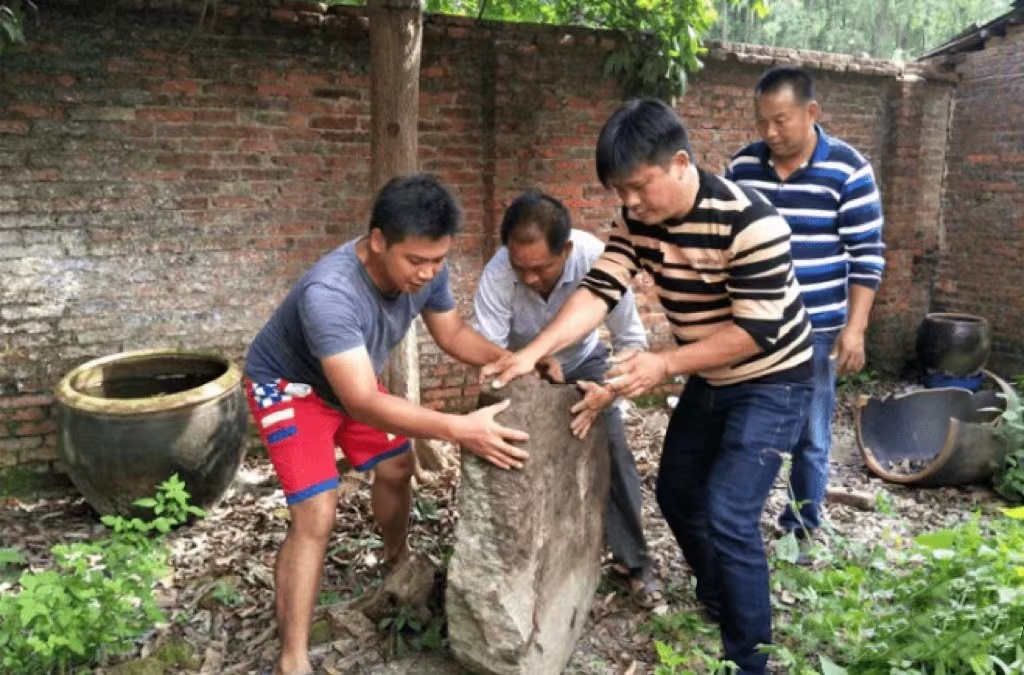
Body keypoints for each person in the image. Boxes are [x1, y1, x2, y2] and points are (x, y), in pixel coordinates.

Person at [483, 99, 814, 675]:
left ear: (680, 163)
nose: (630, 202)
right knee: (678, 493)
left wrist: (663, 364)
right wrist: (533, 352)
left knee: (731, 513)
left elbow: (756, 331)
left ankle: (750, 659)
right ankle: (720, 596)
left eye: (638, 186)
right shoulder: (637, 222)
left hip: (773, 378)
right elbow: (600, 289)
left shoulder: (751, 223)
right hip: (711, 375)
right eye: (620, 191)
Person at [244, 174, 530, 675]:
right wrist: (460, 428)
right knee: (316, 513)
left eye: (438, 260)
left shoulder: (428, 266)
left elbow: (451, 333)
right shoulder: (329, 293)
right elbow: (361, 402)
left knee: (398, 465)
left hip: (349, 379)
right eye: (416, 261)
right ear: (378, 241)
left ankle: (396, 558)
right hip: (290, 389)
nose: (428, 273)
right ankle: (293, 659)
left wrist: (510, 359)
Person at [473, 190, 662, 608]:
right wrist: (533, 370)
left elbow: (631, 342)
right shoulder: (498, 273)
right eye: (520, 268)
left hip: (585, 362)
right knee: (508, 453)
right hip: (522, 370)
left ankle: (635, 563)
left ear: (567, 250)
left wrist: (609, 391)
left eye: (540, 268)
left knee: (612, 450)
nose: (529, 279)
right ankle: (512, 569)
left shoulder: (596, 259)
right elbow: (488, 352)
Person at [726, 66, 886, 543]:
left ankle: (801, 527)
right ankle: (738, 524)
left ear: (811, 112)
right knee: (747, 426)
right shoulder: (742, 167)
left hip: (817, 328)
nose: (770, 132)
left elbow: (867, 255)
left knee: (811, 434)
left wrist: (854, 329)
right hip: (753, 328)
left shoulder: (848, 169)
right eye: (762, 121)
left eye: (781, 120)